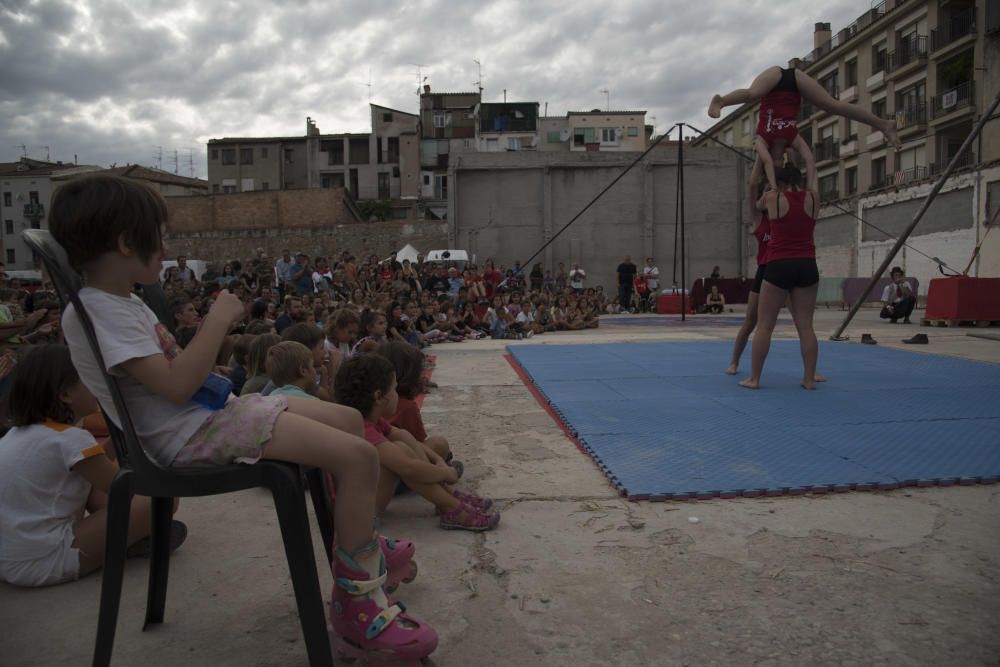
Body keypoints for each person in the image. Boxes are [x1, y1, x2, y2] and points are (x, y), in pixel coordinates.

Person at [49, 174, 437, 661]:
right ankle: (357, 607)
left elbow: (171, 380)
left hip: (205, 417)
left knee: (345, 420)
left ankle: (359, 544)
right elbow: (174, 385)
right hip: (188, 436)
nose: (166, 246)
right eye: (160, 236)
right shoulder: (101, 311)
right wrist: (217, 320)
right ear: (128, 242)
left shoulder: (118, 303)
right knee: (360, 458)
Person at [0, 345, 185, 587]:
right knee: (162, 498)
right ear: (65, 394)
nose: (98, 389)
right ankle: (128, 540)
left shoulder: (22, 435)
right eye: (89, 380)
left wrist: (122, 437)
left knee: (89, 484)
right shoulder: (69, 440)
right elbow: (126, 488)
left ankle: (128, 537)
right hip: (44, 560)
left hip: (11, 559)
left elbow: (91, 464)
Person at [334, 354, 498, 530]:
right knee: (401, 455)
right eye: (394, 389)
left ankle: (447, 499)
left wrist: (439, 461)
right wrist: (446, 474)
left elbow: (405, 436)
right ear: (379, 397)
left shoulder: (369, 418)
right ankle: (451, 506)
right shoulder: (362, 429)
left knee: (403, 441)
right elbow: (409, 467)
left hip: (369, 494)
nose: (397, 395)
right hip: (363, 514)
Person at [709, 66, 900, 191]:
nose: (776, 160)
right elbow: (809, 159)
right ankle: (884, 125)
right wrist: (811, 191)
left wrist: (773, 186)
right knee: (832, 106)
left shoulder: (762, 140)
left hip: (775, 78)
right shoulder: (791, 138)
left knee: (753, 94)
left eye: (773, 162)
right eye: (779, 161)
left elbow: (760, 170)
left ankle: (722, 101)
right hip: (795, 84)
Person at [740, 164, 822, 390]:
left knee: (765, 325)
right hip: (807, 264)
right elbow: (810, 162)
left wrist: (766, 175)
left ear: (780, 183)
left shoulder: (773, 199)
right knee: (805, 326)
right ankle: (809, 379)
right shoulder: (813, 197)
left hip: (779, 264)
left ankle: (754, 378)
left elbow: (755, 200)